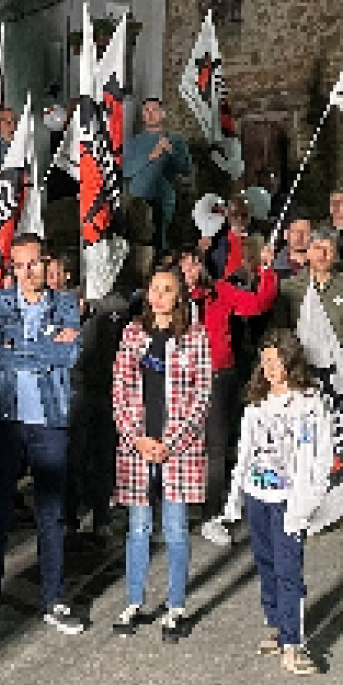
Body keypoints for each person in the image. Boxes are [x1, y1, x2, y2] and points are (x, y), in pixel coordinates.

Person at [0, 233, 85, 637]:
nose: (28, 271)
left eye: (34, 263)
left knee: (50, 515)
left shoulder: (65, 303)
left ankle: (54, 599)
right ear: (12, 267)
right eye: (20, 265)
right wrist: (43, 350)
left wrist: (24, 350)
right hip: (6, 419)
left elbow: (68, 355)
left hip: (49, 421)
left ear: (45, 262)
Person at [221, 329, 334, 675]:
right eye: (264, 360)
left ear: (290, 360)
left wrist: (308, 501)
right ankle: (277, 624)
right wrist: (234, 499)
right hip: (258, 495)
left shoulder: (310, 403)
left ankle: (293, 643)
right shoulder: (258, 401)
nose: (269, 367)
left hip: (289, 500)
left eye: (276, 360)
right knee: (266, 563)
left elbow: (321, 455)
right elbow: (244, 451)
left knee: (288, 571)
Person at [110, 265, 212, 642]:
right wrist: (137, 437)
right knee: (138, 527)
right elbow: (119, 390)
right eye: (154, 288)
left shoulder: (195, 336)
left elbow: (201, 397)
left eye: (167, 290)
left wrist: (172, 442)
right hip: (139, 445)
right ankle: (134, 601)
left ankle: (175, 606)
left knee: (175, 527)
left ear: (179, 296)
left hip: (177, 449)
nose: (158, 296)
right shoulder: (133, 334)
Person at [276, 227, 343, 527]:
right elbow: (280, 337)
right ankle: (303, 508)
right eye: (316, 247)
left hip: (339, 377)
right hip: (303, 378)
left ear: (336, 253)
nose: (321, 254)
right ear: (307, 252)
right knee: (304, 445)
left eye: (328, 249)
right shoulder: (290, 288)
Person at [196, 246, 280, 547]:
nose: (190, 270)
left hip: (220, 375)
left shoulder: (220, 291)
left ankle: (212, 514)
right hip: (185, 379)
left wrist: (267, 270)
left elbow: (257, 303)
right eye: (184, 266)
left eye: (194, 263)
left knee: (219, 446)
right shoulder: (172, 298)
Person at [121, 98, 192, 251]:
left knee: (161, 243)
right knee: (135, 242)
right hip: (138, 201)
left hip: (163, 200)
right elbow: (125, 171)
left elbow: (186, 170)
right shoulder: (133, 143)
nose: (150, 114)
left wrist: (171, 152)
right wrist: (150, 156)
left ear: (163, 114)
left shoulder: (176, 140)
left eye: (154, 110)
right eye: (146, 111)